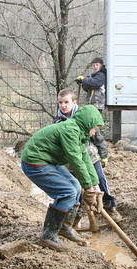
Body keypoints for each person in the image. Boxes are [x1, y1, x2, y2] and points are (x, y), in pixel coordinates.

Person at [21, 104, 104, 251]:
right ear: (88, 123)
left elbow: (85, 158)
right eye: (95, 129)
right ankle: (48, 236)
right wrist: (89, 187)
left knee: (76, 187)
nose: (93, 134)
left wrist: (95, 186)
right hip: (35, 162)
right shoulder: (70, 131)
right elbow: (75, 161)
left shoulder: (77, 131)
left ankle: (64, 228)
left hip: (49, 160)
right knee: (67, 192)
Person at [54, 88, 122, 222]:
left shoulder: (85, 117)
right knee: (75, 186)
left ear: (74, 102)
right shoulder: (58, 122)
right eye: (60, 103)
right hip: (71, 161)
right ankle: (76, 213)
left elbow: (97, 137)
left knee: (100, 180)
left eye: (66, 102)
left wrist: (103, 154)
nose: (63, 105)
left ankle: (109, 205)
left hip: (91, 157)